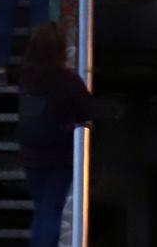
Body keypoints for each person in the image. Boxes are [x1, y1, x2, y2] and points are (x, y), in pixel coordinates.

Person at [16, 21, 96, 247]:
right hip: (59, 155)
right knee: (52, 210)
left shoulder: (27, 77)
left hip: (31, 153)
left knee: (41, 208)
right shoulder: (67, 79)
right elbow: (87, 110)